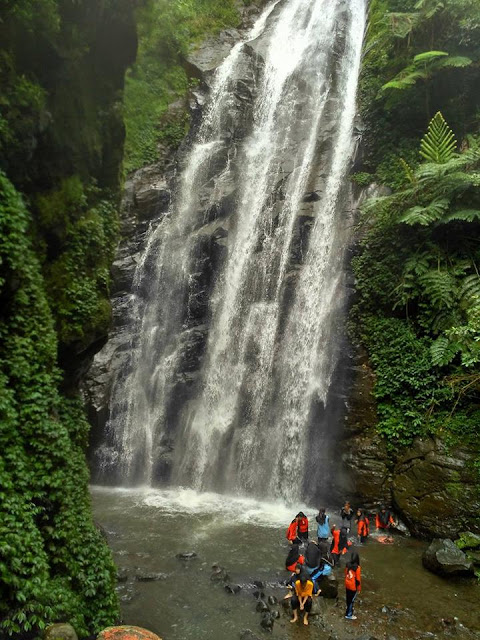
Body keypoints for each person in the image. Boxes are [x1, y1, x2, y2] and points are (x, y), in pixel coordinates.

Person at [345, 552, 361, 620]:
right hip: (353, 586)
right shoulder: (357, 568)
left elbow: (345, 574)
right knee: (351, 600)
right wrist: (359, 588)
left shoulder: (347, 565)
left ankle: (348, 609)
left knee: (348, 598)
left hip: (347, 584)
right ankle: (349, 614)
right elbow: (358, 579)